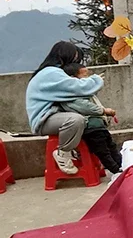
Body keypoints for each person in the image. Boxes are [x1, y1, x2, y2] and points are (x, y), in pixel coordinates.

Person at [26, 42, 105, 175]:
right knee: (75, 120)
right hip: (43, 120)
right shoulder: (51, 73)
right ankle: (62, 153)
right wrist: (96, 80)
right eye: (74, 59)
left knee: (85, 120)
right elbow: (76, 87)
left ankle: (75, 151)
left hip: (53, 116)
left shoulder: (50, 72)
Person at [59, 64, 122, 174]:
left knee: (111, 146)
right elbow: (85, 107)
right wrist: (104, 111)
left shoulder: (84, 92)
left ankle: (121, 165)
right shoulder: (70, 95)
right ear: (74, 79)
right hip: (90, 129)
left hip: (99, 127)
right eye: (85, 76)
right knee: (103, 151)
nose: (88, 79)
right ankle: (116, 170)